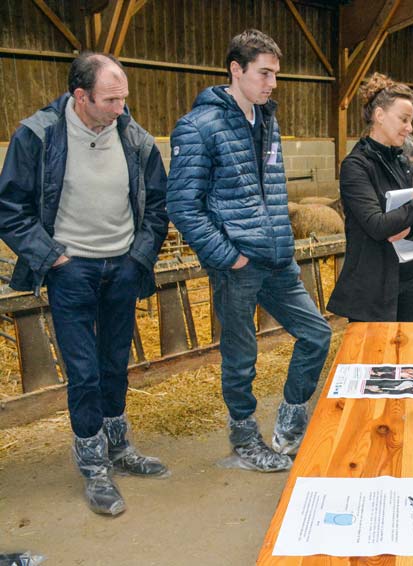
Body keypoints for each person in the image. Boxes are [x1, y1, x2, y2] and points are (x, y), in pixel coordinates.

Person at [0, 52, 169, 515]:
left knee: (115, 362)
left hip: (122, 267)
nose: (121, 109)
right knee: (84, 370)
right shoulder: (38, 136)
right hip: (70, 270)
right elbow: (10, 208)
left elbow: (157, 206)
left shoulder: (135, 139)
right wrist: (50, 256)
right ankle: (94, 465)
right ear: (81, 96)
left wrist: (139, 257)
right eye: (110, 100)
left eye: (124, 99)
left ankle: (119, 447)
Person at [167, 29, 332, 472]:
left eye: (275, 74)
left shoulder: (267, 120)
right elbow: (182, 205)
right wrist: (228, 256)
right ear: (236, 70)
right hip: (237, 264)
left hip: (277, 259)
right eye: (264, 73)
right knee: (241, 356)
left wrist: (283, 243)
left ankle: (290, 425)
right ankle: (244, 437)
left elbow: (271, 192)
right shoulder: (199, 126)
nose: (272, 83)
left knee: (316, 335)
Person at [326, 73, 413, 322]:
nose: (410, 128)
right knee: (375, 359)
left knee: (405, 356)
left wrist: (408, 231)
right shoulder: (356, 166)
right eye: (404, 119)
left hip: (412, 280)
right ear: (379, 116)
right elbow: (376, 225)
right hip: (375, 289)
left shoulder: (402, 162)